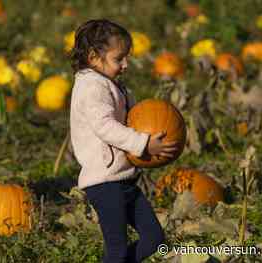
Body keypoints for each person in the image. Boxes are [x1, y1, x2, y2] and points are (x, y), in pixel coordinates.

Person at [69, 19, 178, 263]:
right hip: (104, 183)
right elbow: (105, 127)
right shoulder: (91, 87)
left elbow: (130, 118)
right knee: (117, 250)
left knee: (155, 239)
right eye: (119, 58)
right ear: (94, 56)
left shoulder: (108, 83)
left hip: (124, 179)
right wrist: (143, 143)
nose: (126, 64)